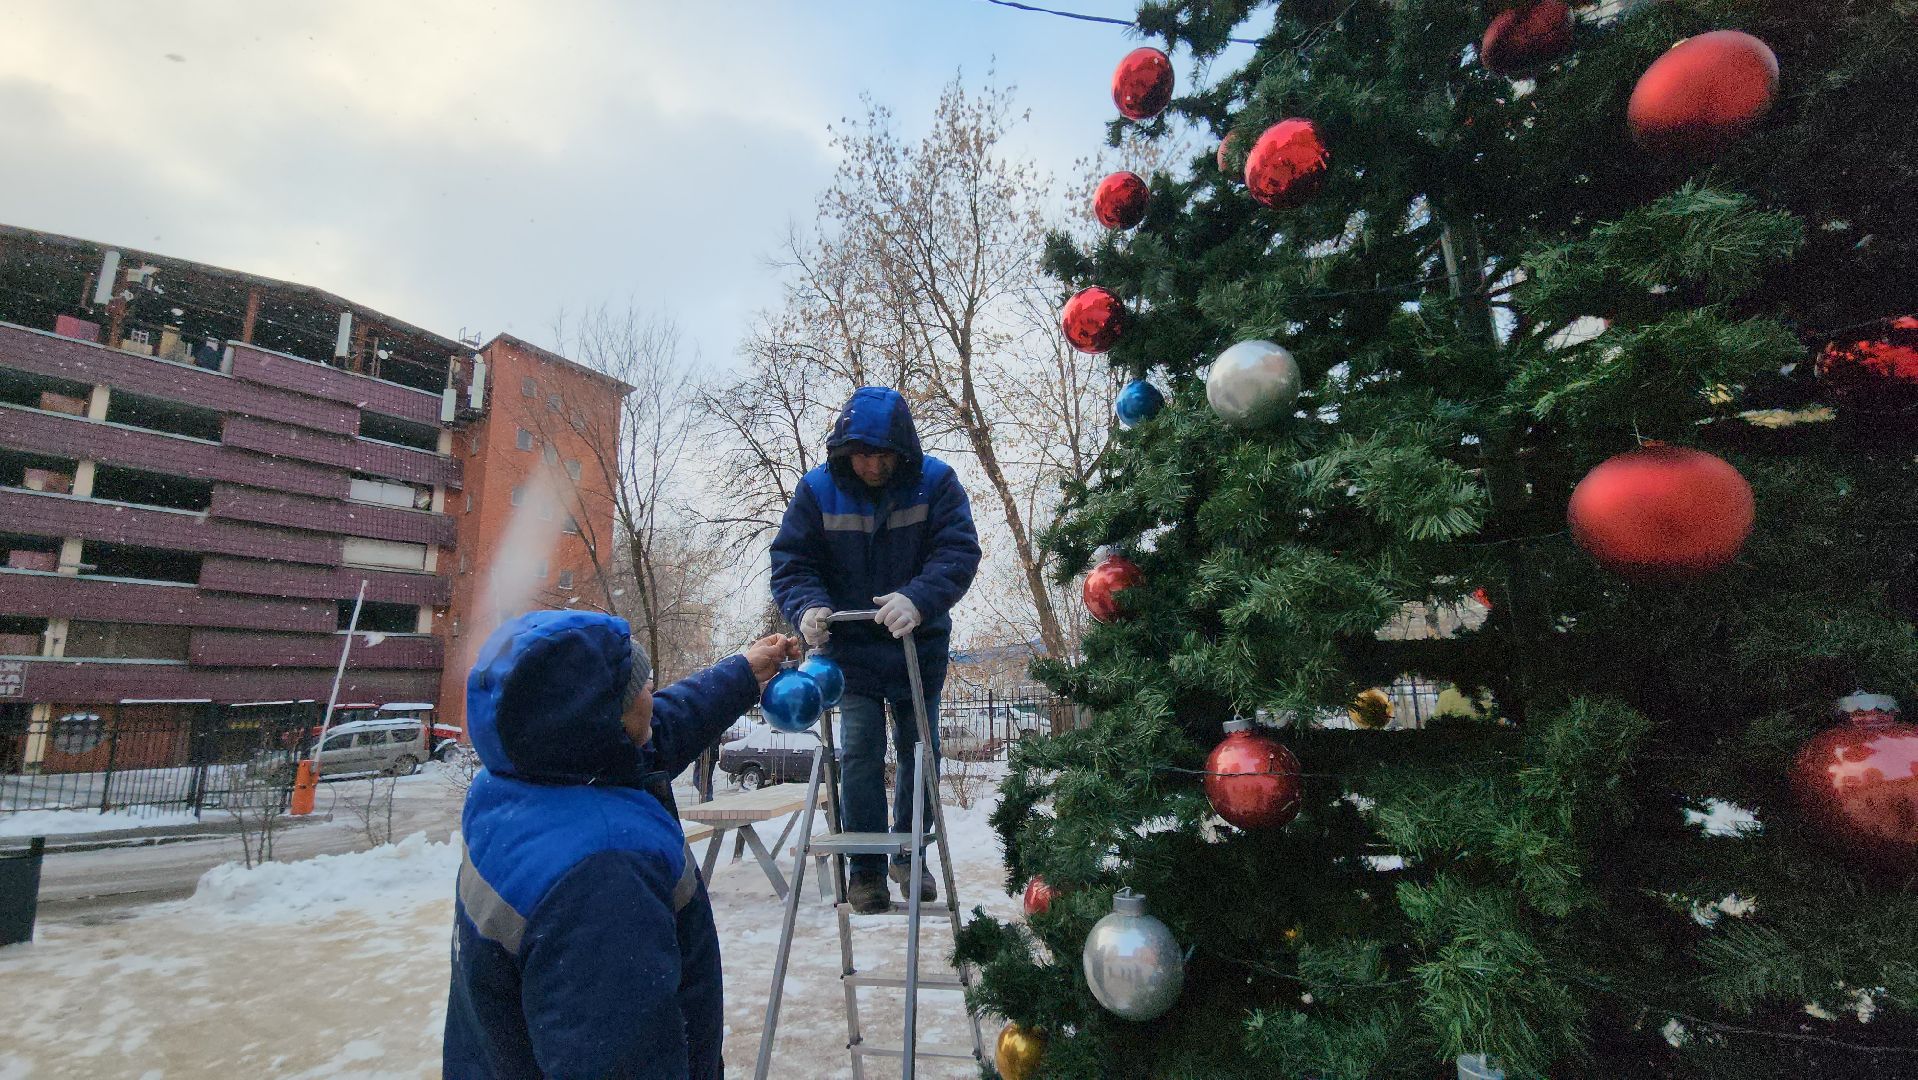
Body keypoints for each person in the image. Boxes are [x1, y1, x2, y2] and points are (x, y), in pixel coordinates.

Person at [442, 608, 799, 1079]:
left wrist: (745, 673)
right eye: (642, 687)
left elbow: (665, 727)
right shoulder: (604, 873)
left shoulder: (522, 780)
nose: (652, 696)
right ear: (601, 716)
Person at [769, 386, 981, 914]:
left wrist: (920, 598)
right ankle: (864, 869)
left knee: (919, 753)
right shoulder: (818, 490)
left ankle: (911, 855)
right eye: (861, 454)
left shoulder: (935, 484)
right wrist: (808, 607)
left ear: (901, 450)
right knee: (860, 753)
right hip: (851, 653)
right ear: (845, 452)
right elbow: (793, 562)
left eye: (882, 454)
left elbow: (957, 551)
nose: (871, 464)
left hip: (915, 646)